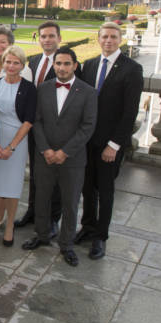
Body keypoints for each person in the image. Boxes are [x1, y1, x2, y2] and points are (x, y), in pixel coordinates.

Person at [22, 47, 97, 267]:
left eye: (66, 64)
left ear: (75, 65)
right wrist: (45, 149)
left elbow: (87, 126)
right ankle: (42, 234)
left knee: (70, 203)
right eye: (58, 64)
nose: (62, 68)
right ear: (53, 65)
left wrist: (65, 152)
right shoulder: (43, 89)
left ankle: (67, 244)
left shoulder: (88, 92)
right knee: (42, 198)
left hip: (72, 159)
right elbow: (37, 121)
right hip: (44, 156)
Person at [76, 22, 143, 260]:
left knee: (105, 191)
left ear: (120, 40)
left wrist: (114, 145)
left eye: (113, 37)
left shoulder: (132, 69)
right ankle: (87, 226)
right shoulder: (91, 65)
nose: (108, 40)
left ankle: (100, 237)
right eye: (104, 36)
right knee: (87, 188)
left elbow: (129, 112)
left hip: (109, 145)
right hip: (87, 142)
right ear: (98, 38)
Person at [15, 21, 76, 230]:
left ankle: (52, 219)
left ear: (59, 38)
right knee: (36, 174)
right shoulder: (32, 61)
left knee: (57, 178)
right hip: (34, 126)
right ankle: (33, 211)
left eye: (51, 36)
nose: (47, 40)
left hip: (57, 130)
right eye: (43, 36)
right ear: (38, 39)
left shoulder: (66, 63)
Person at [0, 46, 36, 247]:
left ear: (22, 66)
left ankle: (10, 227)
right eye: (8, 62)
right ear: (2, 63)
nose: (11, 66)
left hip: (17, 142)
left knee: (12, 187)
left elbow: (28, 121)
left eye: (16, 62)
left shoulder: (29, 88)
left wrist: (11, 147)